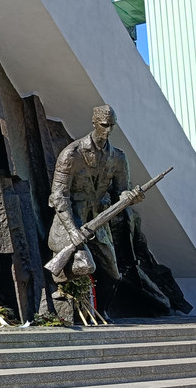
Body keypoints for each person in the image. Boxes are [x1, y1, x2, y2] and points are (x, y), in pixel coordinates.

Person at [47, 104, 141, 309]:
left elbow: (121, 191)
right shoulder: (71, 154)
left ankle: (102, 314)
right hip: (71, 219)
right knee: (79, 266)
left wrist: (131, 196)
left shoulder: (118, 157)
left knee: (113, 274)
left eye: (111, 126)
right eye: (104, 125)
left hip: (99, 219)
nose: (108, 131)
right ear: (94, 123)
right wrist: (72, 232)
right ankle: (69, 307)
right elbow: (59, 196)